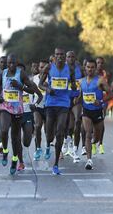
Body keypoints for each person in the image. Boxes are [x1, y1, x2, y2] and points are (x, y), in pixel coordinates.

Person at [0, 54, 42, 175]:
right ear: (7, 63)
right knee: (3, 129)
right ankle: (6, 151)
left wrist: (20, 86)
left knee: (16, 138)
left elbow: (32, 90)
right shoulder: (2, 73)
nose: (11, 65)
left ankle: (15, 160)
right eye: (9, 63)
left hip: (18, 110)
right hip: (5, 107)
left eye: (13, 63)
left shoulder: (21, 74)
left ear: (16, 63)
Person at [39, 47, 76, 175]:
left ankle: (55, 164)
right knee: (49, 134)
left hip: (64, 103)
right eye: (57, 55)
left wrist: (75, 87)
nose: (59, 57)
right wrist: (48, 90)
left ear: (65, 56)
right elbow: (40, 84)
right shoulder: (48, 68)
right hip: (51, 103)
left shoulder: (70, 69)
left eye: (62, 54)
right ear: (54, 56)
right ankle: (48, 144)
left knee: (60, 131)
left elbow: (73, 83)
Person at [78, 59, 112, 170]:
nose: (90, 69)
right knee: (88, 133)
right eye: (88, 67)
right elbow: (80, 94)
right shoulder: (81, 81)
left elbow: (110, 94)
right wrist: (77, 99)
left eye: (92, 67)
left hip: (97, 111)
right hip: (86, 111)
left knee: (96, 138)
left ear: (95, 68)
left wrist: (101, 101)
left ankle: (94, 143)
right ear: (85, 68)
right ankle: (89, 160)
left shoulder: (100, 80)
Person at [64, 50, 84, 163]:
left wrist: (80, 96)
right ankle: (68, 141)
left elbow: (84, 83)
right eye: (69, 57)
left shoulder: (80, 69)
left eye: (73, 57)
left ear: (75, 58)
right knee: (69, 125)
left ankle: (75, 148)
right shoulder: (62, 69)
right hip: (66, 99)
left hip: (77, 99)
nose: (71, 59)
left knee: (77, 121)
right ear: (66, 58)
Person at [32, 60, 48, 160]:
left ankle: (47, 147)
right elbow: (31, 93)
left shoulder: (51, 78)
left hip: (49, 107)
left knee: (48, 131)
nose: (42, 69)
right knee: (37, 126)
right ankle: (38, 148)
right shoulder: (34, 78)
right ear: (38, 68)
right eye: (41, 67)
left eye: (44, 67)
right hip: (38, 107)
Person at [95, 56, 109, 154]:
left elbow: (108, 88)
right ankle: (93, 142)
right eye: (98, 63)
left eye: (101, 63)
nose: (100, 64)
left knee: (101, 121)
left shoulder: (105, 74)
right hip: (91, 99)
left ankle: (100, 143)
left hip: (103, 100)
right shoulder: (91, 73)